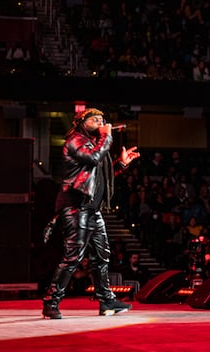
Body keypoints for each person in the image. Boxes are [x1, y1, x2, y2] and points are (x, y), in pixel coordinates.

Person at [42, 108, 141, 319]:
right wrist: (106, 135)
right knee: (73, 256)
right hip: (75, 205)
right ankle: (51, 301)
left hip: (90, 208)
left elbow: (98, 176)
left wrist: (121, 164)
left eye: (102, 120)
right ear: (80, 122)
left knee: (101, 255)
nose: (100, 122)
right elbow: (94, 158)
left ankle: (106, 301)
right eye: (94, 119)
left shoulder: (94, 143)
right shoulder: (75, 140)